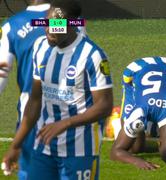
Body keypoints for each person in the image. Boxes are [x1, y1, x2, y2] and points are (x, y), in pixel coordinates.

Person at [2, 0, 113, 179]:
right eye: (47, 23)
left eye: (56, 25)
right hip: (44, 145)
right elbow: (35, 100)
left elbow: (105, 106)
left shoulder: (93, 56)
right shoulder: (40, 47)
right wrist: (16, 145)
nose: (49, 29)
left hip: (79, 149)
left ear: (71, 25)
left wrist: (65, 123)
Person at [0, 1, 51, 179]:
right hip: (71, 105)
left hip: (30, 108)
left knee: (31, 171)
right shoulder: (70, 21)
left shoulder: (12, 25)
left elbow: (1, 73)